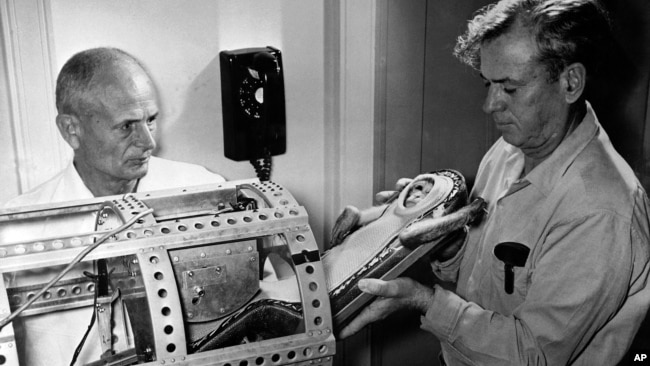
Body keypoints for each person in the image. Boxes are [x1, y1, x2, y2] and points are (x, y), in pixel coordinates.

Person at [338, 1, 650, 365]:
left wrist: (423, 301)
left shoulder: (599, 211)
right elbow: (486, 276)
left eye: (510, 88)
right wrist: (441, 241)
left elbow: (532, 356)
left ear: (570, 82)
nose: (489, 105)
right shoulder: (514, 147)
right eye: (488, 83)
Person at [1, 47, 226, 365]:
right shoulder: (15, 230)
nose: (149, 142)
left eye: (151, 120)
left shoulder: (206, 191)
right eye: (126, 126)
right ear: (72, 130)